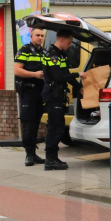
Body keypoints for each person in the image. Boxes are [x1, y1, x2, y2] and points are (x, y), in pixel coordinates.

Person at [41, 29, 81, 171]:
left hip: (57, 94)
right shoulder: (53, 55)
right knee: (55, 127)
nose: (70, 45)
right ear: (62, 40)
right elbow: (58, 76)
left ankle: (53, 157)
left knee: (58, 126)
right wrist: (79, 74)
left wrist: (78, 86)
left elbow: (66, 74)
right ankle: (50, 160)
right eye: (69, 42)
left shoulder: (60, 55)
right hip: (53, 94)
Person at [14, 28, 47, 166]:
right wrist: (34, 75)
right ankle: (28, 154)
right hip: (28, 92)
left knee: (35, 123)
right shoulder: (25, 50)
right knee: (28, 123)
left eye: (42, 35)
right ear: (31, 36)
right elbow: (17, 69)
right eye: (37, 35)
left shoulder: (44, 52)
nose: (40, 38)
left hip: (40, 92)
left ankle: (33, 153)